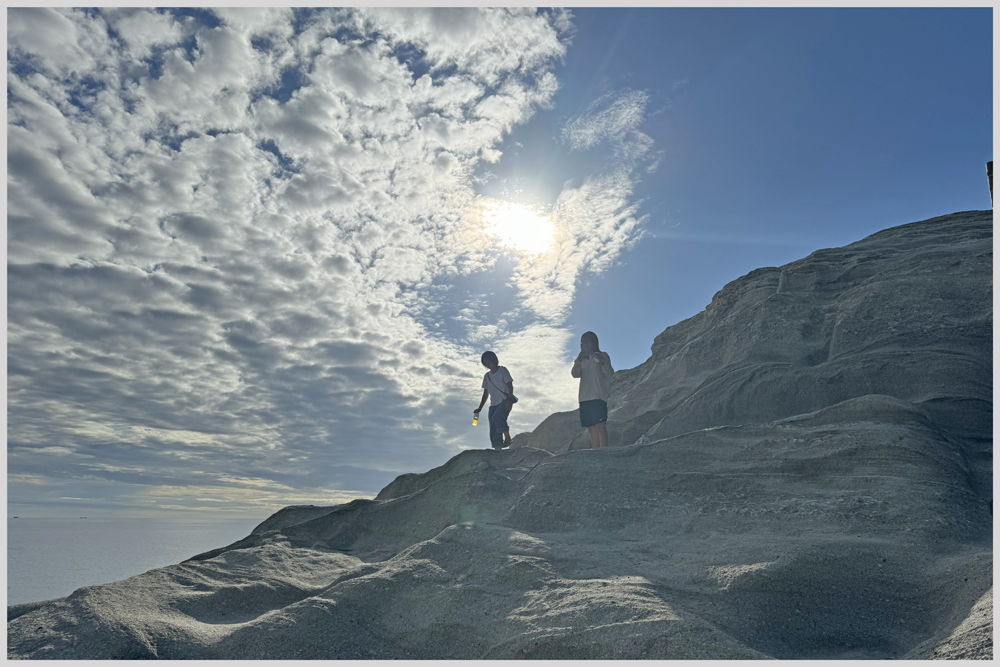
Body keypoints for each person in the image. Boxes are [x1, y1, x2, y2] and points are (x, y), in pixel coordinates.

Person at [571, 331, 614, 448]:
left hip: (598, 396)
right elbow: (574, 374)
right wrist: (578, 360)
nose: (583, 344)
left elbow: (610, 374)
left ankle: (603, 450)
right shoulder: (582, 359)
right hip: (584, 397)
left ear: (593, 342)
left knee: (600, 425)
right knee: (590, 427)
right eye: (582, 342)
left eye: (586, 341)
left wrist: (603, 362)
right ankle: (595, 452)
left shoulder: (603, 355)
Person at [474, 351, 514, 450]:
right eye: (486, 363)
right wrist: (479, 408)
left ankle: (508, 438)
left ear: (494, 360)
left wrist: (509, 400)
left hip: (504, 400)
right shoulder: (487, 377)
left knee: (497, 418)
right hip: (493, 405)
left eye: (489, 362)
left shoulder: (503, 370)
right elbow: (485, 393)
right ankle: (498, 450)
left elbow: (510, 386)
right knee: (493, 427)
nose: (488, 365)